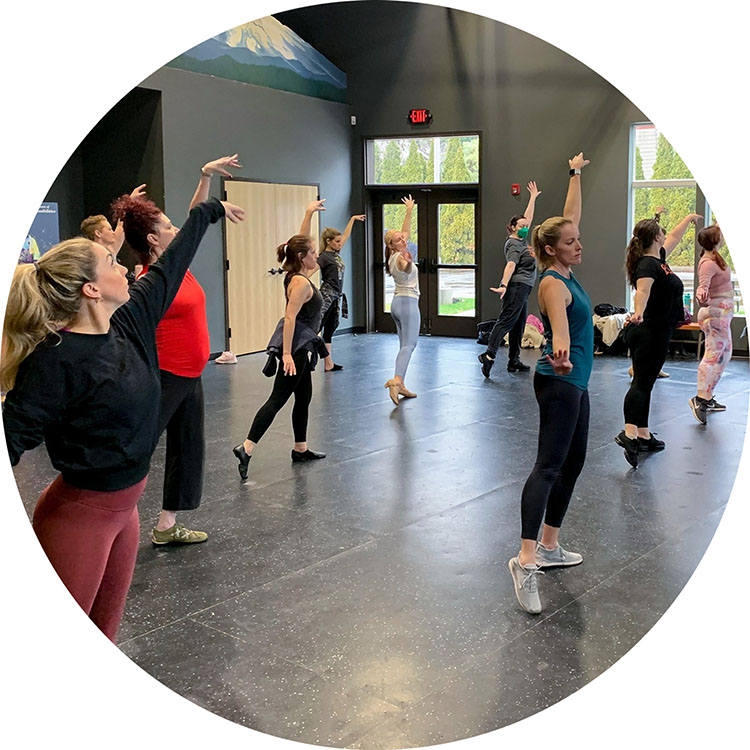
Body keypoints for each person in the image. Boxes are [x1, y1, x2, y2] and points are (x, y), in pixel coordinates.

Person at [2, 196, 244, 641]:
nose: (124, 269)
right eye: (111, 263)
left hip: (126, 513)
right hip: (80, 519)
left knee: (104, 635)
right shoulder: (55, 361)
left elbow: (172, 264)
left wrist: (208, 212)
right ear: (91, 290)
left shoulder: (129, 321)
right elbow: (11, 436)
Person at [112, 154, 242, 545]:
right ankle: (110, 521)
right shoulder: (151, 279)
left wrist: (204, 175)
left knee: (187, 447)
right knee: (139, 447)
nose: (175, 229)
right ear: (153, 240)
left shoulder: (176, 265)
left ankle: (167, 525)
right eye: (166, 226)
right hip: (165, 375)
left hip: (191, 373)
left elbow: (191, 225)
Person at [508, 153, 591, 615]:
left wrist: (575, 174)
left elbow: (570, 215)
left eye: (578, 239)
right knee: (548, 466)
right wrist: (559, 349)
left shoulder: (565, 264)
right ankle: (525, 559)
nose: (579, 244)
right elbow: (558, 327)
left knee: (573, 463)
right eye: (572, 242)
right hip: (559, 382)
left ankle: (551, 545)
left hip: (577, 384)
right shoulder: (552, 284)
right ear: (554, 249)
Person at [233, 200, 328, 481]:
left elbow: (298, 242)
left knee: (304, 395)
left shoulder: (297, 273)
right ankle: (246, 447)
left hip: (301, 345)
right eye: (312, 252)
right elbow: (289, 318)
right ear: (302, 257)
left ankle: (300, 448)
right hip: (296, 348)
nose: (316, 255)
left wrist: (308, 214)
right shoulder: (299, 283)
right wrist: (286, 355)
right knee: (277, 399)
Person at [616, 210, 703, 466]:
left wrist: (687, 219)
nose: (666, 235)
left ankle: (643, 433)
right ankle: (630, 433)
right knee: (641, 383)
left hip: (659, 331)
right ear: (655, 237)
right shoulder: (647, 264)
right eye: (661, 232)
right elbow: (641, 292)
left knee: (647, 383)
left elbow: (674, 236)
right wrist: (639, 312)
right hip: (648, 331)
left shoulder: (659, 259)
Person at [478, 181, 542, 376]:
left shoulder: (522, 240)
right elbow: (511, 265)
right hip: (516, 287)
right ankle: (488, 355)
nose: (525, 227)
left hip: (524, 289)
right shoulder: (514, 245)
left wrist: (532, 198)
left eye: (526, 226)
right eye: (521, 226)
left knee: (519, 324)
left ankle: (513, 360)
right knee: (506, 321)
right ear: (513, 227)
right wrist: (504, 284)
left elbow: (528, 217)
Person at [689, 224, 733, 424]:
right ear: (715, 240)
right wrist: (700, 294)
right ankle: (700, 399)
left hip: (723, 315)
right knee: (712, 356)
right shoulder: (706, 263)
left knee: (725, 354)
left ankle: (708, 396)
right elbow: (703, 286)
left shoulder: (716, 257)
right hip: (714, 314)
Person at [317, 213, 365, 371]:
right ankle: (303, 358)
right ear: (328, 242)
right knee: (317, 326)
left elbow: (345, 236)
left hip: (336, 296)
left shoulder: (335, 254)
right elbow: (309, 271)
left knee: (329, 328)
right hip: (327, 295)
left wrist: (352, 219)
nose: (340, 244)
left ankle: (328, 363)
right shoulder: (324, 256)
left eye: (339, 242)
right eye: (336, 242)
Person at [383, 195, 419, 405]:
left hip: (397, 304)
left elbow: (406, 231)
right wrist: (408, 262)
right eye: (399, 240)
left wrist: (409, 211)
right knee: (409, 345)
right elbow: (405, 268)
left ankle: (401, 382)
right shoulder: (399, 258)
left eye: (403, 238)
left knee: (403, 345)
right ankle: (396, 381)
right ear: (392, 245)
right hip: (407, 304)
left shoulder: (394, 254)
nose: (404, 240)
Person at [80, 183, 147, 255]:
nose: (113, 232)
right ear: (98, 233)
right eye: (109, 229)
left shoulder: (110, 250)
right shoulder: (92, 257)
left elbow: (121, 224)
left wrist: (130, 202)